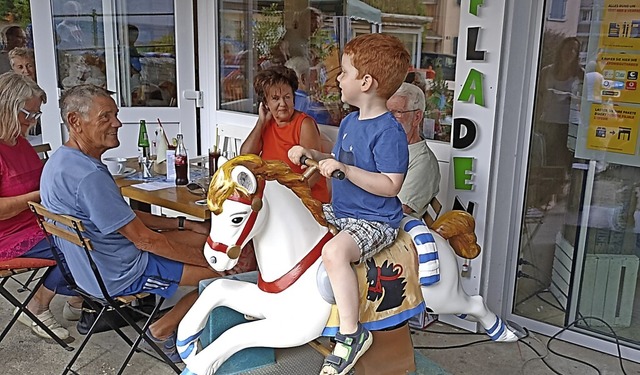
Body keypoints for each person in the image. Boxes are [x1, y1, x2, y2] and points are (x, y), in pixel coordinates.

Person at [40, 84, 220, 362]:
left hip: (92, 267)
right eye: (106, 117)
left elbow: (123, 217)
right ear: (75, 121)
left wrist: (181, 223)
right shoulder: (89, 176)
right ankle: (161, 330)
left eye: (116, 114)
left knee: (205, 240)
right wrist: (210, 263)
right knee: (225, 277)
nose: (117, 123)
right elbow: (145, 239)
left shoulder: (60, 162)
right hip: (121, 272)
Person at [288, 33, 411, 375]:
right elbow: (338, 161)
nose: (337, 78)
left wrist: (344, 169)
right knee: (294, 217)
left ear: (367, 82)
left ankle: (350, 334)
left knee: (334, 253)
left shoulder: (389, 132)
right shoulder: (349, 122)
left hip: (374, 219)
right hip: (342, 212)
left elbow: (390, 185)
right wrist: (314, 155)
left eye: (343, 72)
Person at [0, 72, 83, 340]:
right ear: (7, 106)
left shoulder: (20, 142)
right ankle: (37, 305)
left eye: (37, 115)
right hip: (9, 236)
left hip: (38, 222)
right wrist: (40, 193)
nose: (33, 121)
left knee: (98, 229)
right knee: (80, 243)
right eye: (28, 113)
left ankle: (77, 301)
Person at [240, 65, 330, 203]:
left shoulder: (304, 124)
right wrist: (261, 122)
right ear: (265, 103)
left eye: (287, 97)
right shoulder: (267, 124)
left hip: (304, 199)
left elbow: (315, 171)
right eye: (275, 98)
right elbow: (245, 158)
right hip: (273, 198)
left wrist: (288, 196)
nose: (283, 103)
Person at [535, 37, 584, 201]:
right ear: (561, 50)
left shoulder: (580, 74)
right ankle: (545, 196)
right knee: (545, 159)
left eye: (574, 49)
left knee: (561, 162)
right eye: (567, 48)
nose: (570, 52)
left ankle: (559, 195)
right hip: (546, 123)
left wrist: (573, 98)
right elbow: (539, 98)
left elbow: (586, 100)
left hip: (566, 125)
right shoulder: (547, 71)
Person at [387, 83, 440, 219]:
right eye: (386, 111)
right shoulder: (389, 147)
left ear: (416, 117)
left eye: (397, 112)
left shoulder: (423, 161)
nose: (388, 119)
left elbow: (396, 210)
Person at [284, 56, 332, 125]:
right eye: (312, 74)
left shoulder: (281, 103)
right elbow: (330, 127)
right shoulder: (312, 105)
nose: (315, 79)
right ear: (303, 78)